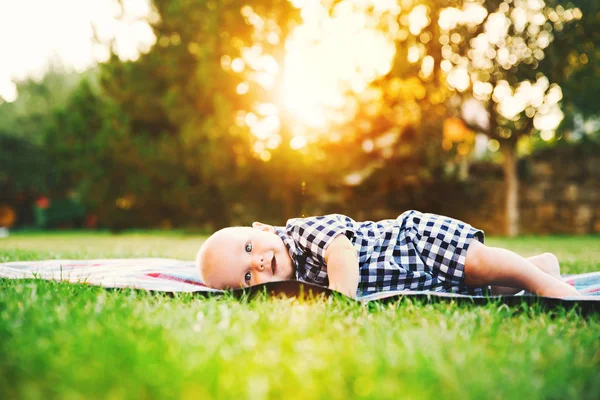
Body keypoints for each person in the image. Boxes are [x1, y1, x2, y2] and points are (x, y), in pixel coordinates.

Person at [196, 210, 580, 299]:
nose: (258, 263)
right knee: (485, 290)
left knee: (479, 265)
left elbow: (342, 253)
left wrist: (340, 303)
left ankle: (546, 283)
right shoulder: (292, 286)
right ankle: (537, 266)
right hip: (420, 279)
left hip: (414, 242)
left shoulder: (299, 232)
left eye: (249, 248)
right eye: (248, 277)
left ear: (262, 230)